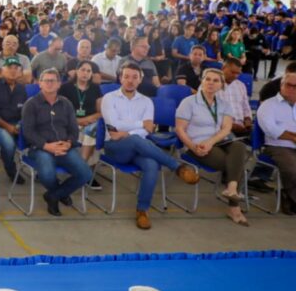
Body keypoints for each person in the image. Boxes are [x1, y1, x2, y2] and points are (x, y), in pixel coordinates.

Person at [101, 63, 199, 229]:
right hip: (115, 148)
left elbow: (147, 130)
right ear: (120, 78)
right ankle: (176, 166)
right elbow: (115, 127)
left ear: (140, 80)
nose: (130, 81)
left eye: (134, 77)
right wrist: (139, 125)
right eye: (126, 76)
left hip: (138, 147)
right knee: (137, 140)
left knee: (151, 164)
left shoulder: (147, 102)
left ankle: (142, 210)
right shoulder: (109, 98)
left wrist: (128, 132)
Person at [176, 68, 252, 226]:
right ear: (201, 81)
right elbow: (180, 130)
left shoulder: (224, 104)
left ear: (221, 85)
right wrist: (193, 146)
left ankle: (231, 187)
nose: (211, 83)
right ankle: (234, 206)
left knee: (239, 146)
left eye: (215, 80)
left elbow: (226, 129)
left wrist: (211, 142)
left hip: (218, 141)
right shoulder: (188, 102)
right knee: (233, 164)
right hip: (196, 144)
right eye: (207, 79)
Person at [20, 68, 93, 216]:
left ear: (59, 84)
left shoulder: (66, 104)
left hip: (64, 146)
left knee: (85, 174)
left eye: (53, 80)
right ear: (39, 83)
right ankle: (61, 193)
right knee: (47, 174)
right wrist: (47, 146)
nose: (49, 83)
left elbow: (74, 129)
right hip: (40, 148)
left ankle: (53, 195)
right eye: (46, 80)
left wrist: (69, 143)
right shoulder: (31, 104)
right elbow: (28, 132)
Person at [257, 69, 296, 215]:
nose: (291, 89)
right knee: (293, 170)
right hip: (278, 146)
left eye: (295, 86)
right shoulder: (268, 105)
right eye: (288, 85)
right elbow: (271, 130)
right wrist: (293, 137)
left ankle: (288, 195)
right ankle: (291, 198)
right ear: (281, 85)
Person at [0, 57, 28, 183]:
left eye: (16, 68)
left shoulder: (21, 88)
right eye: (9, 68)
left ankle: (40, 171)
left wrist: (19, 125)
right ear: (1, 70)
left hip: (16, 124)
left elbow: (25, 111)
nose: (13, 71)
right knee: (9, 144)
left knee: (37, 135)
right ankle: (11, 169)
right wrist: (8, 127)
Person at [58, 61, 102, 179]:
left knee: (94, 130)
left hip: (90, 123)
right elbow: (59, 112)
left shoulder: (95, 88)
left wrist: (86, 120)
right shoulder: (65, 88)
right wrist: (77, 121)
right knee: (89, 133)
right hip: (69, 123)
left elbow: (100, 112)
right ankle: (84, 173)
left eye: (89, 71)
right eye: (82, 69)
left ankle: (83, 170)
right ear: (76, 71)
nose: (85, 73)